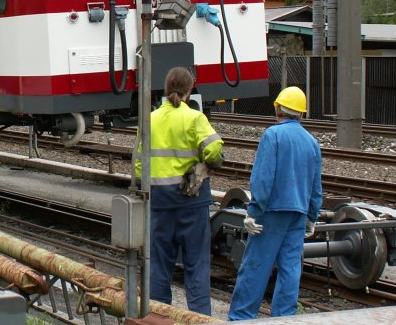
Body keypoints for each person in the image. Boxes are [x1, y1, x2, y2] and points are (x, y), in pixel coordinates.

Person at [228, 86, 323, 321]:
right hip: (298, 213)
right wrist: (312, 215)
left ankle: (242, 317)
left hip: (271, 212)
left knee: (257, 265)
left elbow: (263, 178)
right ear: (302, 113)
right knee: (290, 268)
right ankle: (285, 317)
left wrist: (253, 211)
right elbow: (315, 186)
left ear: (278, 109)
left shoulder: (273, 135)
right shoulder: (312, 142)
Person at [134, 66, 223, 316]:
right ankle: (199, 319)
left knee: (158, 265)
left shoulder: (149, 119)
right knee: (196, 265)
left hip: (159, 203)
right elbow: (215, 150)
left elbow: (139, 163)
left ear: (165, 89)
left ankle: (158, 318)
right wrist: (205, 162)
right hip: (191, 203)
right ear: (189, 90)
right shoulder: (194, 118)